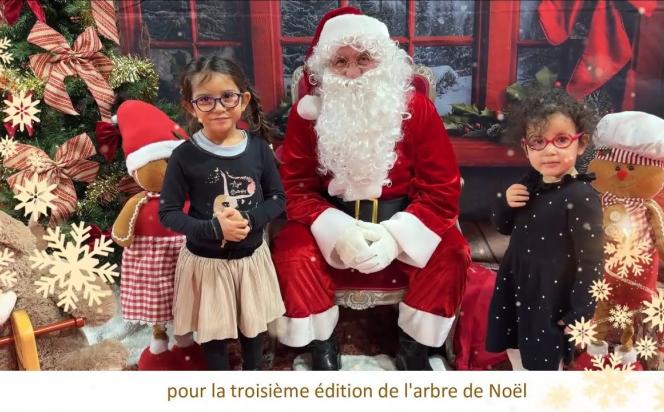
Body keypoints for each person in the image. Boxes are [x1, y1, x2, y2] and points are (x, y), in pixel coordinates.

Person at [271, 7, 469, 371]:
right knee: (293, 254)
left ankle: (414, 349)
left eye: (363, 59)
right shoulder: (308, 114)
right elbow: (295, 189)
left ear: (384, 63)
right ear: (325, 67)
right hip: (330, 220)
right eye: (340, 61)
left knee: (452, 252)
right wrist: (339, 233)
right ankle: (321, 344)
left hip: (404, 216)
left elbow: (441, 189)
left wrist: (395, 239)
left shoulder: (418, 110)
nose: (352, 72)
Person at [159, 56, 286, 370]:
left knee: (253, 331)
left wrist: (251, 220)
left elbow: (277, 199)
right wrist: (214, 229)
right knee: (214, 337)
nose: (218, 107)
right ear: (190, 107)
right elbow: (169, 213)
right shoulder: (184, 156)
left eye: (227, 96)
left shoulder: (258, 149)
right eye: (205, 99)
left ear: (243, 100)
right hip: (208, 266)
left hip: (251, 261)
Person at [485, 87, 603, 370]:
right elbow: (502, 226)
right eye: (538, 141)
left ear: (581, 143)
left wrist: (581, 311)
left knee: (544, 364)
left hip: (551, 296)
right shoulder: (529, 184)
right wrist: (505, 203)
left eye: (561, 140)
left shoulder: (581, 196)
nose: (550, 150)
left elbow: (592, 261)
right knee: (515, 353)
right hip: (516, 286)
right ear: (526, 147)